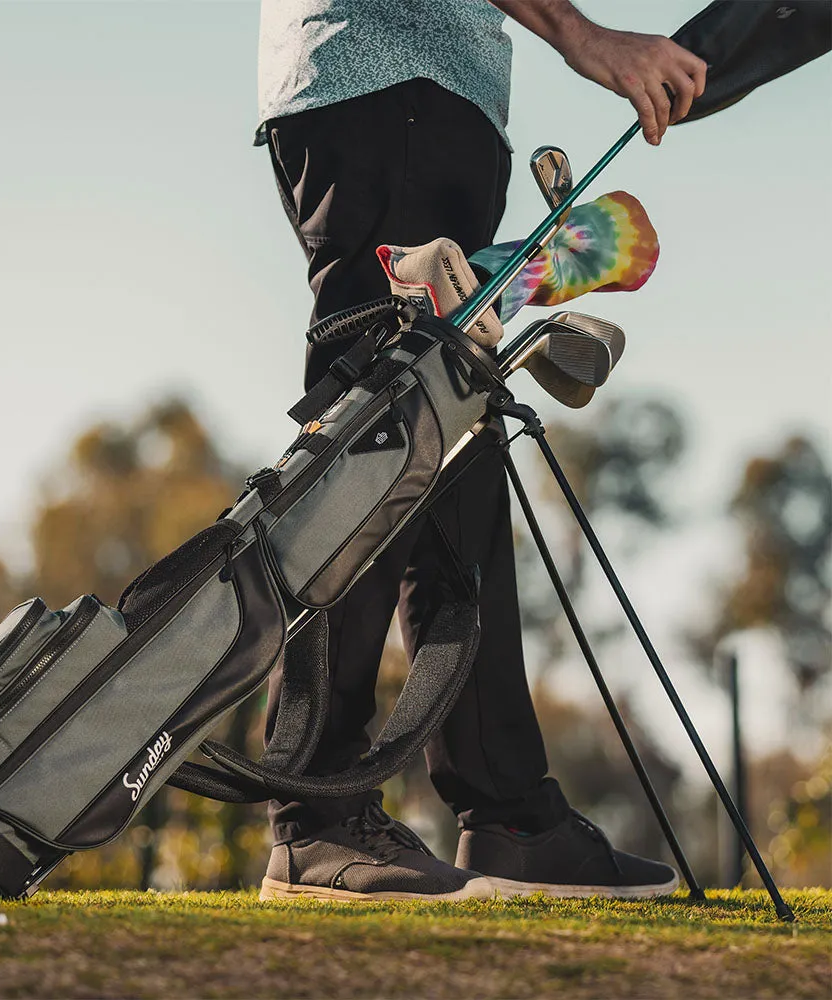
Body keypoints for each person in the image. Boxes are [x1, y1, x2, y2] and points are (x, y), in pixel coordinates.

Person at [255, 0, 707, 902]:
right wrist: (587, 37)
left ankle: (509, 816)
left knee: (453, 459)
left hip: (439, 100)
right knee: (372, 453)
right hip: (384, 85)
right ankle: (312, 820)